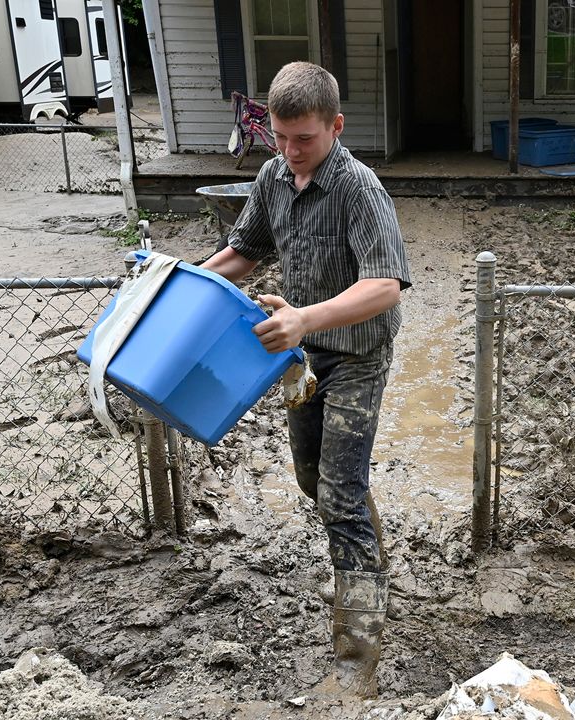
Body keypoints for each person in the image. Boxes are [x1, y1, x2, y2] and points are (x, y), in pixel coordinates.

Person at [201, 61, 410, 699]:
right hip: (301, 357)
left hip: (354, 355)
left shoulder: (358, 187)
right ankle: (369, 562)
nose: (291, 152)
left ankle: (356, 655)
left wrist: (304, 319)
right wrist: (181, 287)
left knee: (341, 493)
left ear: (336, 127)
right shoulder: (272, 177)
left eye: (305, 140)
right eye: (281, 138)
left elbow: (385, 285)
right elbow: (245, 251)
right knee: (312, 481)